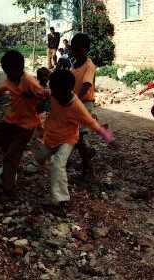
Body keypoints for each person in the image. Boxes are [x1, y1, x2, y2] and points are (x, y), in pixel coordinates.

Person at [35, 70, 114, 215]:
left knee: (57, 165)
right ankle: (57, 169)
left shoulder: (77, 107)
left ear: (67, 90)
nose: (54, 94)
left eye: (56, 91)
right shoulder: (53, 92)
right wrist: (37, 95)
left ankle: (60, 202)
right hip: (50, 136)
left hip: (68, 139)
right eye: (52, 89)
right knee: (39, 157)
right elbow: (44, 93)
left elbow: (93, 124)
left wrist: (109, 138)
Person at [0, 50, 49, 196]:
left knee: (11, 156)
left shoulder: (30, 82)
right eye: (5, 72)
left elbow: (45, 98)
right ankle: (10, 160)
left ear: (20, 68)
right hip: (10, 121)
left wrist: (31, 98)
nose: (7, 75)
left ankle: (8, 188)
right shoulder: (9, 80)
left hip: (26, 126)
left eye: (9, 71)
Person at [70, 33, 97, 182]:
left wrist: (76, 99)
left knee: (78, 137)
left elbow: (87, 84)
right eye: (73, 49)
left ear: (85, 49)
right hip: (75, 102)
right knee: (76, 136)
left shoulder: (89, 65)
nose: (74, 52)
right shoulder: (74, 64)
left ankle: (89, 169)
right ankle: (87, 152)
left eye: (78, 50)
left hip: (83, 103)